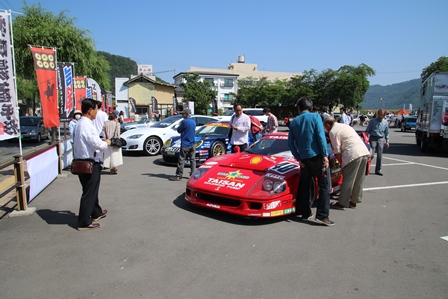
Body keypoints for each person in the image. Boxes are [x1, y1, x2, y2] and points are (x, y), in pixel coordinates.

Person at [288, 96, 334, 226]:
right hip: (317, 157)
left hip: (304, 159)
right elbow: (320, 136)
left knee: (305, 185)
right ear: (311, 108)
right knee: (324, 185)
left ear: (298, 108)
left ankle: (305, 212)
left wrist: (298, 158)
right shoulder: (315, 117)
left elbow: (290, 143)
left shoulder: (294, 122)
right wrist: (325, 155)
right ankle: (322, 215)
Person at [73, 98, 111, 231]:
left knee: (90, 189)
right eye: (96, 109)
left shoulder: (79, 124)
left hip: (81, 161)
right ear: (90, 110)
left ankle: (96, 212)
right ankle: (83, 222)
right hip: (89, 162)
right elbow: (96, 144)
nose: (97, 112)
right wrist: (107, 142)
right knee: (89, 192)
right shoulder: (86, 125)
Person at [324, 117, 370, 209]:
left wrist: (341, 164)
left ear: (328, 125)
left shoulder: (333, 131)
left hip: (352, 154)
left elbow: (337, 151)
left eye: (325, 126)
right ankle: (354, 201)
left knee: (348, 179)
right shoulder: (345, 126)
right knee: (359, 179)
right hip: (363, 152)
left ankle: (342, 203)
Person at [169, 108, 196, 181]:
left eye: (183, 114)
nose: (182, 115)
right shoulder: (193, 122)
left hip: (185, 143)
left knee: (181, 160)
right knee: (192, 160)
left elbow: (178, 130)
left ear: (186, 114)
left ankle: (178, 175)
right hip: (192, 143)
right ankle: (193, 174)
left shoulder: (184, 122)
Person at [365, 109, 390, 176]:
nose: (380, 116)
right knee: (371, 154)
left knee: (380, 155)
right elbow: (367, 131)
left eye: (382, 115)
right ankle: (366, 168)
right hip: (373, 138)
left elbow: (387, 133)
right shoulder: (372, 121)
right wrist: (366, 138)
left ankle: (378, 170)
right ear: (377, 114)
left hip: (381, 139)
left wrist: (387, 141)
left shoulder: (385, 122)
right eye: (379, 115)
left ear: (384, 115)